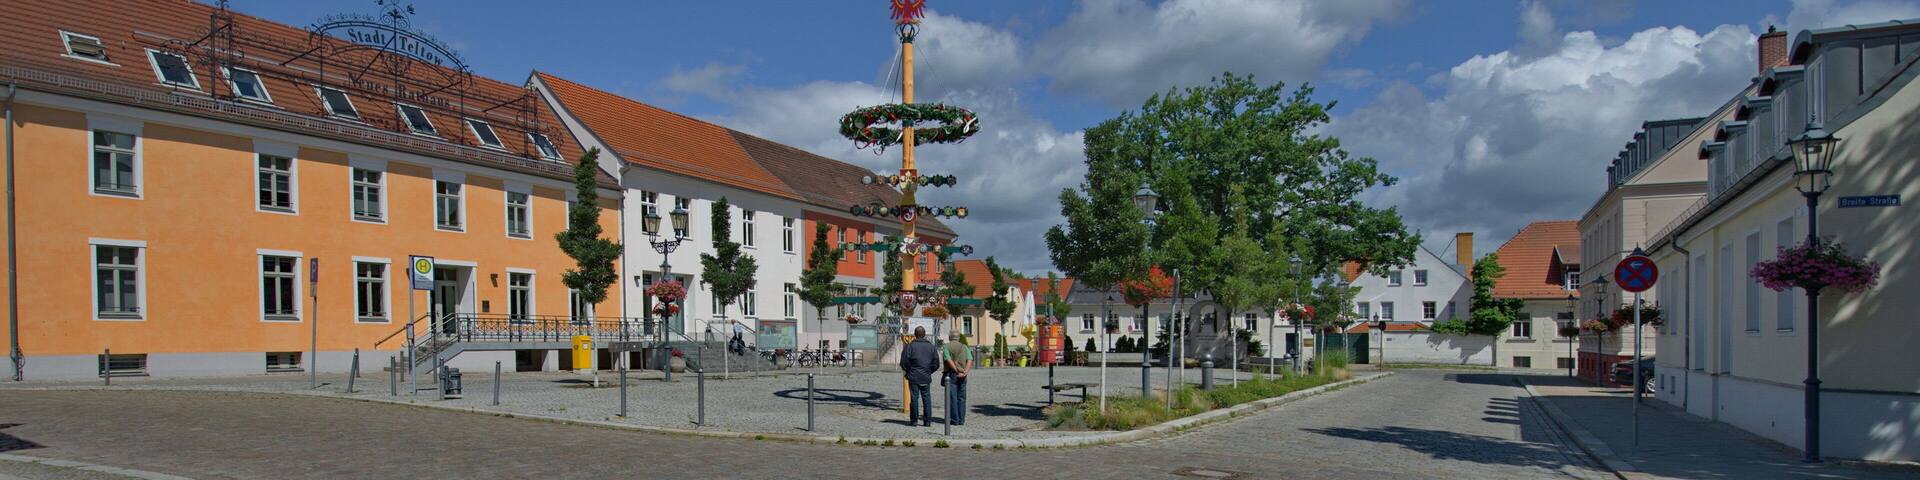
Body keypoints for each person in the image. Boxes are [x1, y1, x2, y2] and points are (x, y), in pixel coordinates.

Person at [899, 326, 938, 427]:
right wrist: (929, 371)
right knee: (927, 398)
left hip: (913, 376)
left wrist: (908, 372)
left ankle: (914, 420)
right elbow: (936, 363)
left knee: (914, 398)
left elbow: (904, 362)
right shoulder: (931, 347)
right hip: (925, 376)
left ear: (915, 335)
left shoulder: (910, 346)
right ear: (924, 334)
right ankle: (927, 421)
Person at [942, 332, 973, 426]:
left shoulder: (946, 346)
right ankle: (961, 419)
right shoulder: (964, 346)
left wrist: (956, 370)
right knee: (962, 397)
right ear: (958, 338)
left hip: (952, 374)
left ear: (949, 337)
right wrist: (965, 372)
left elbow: (948, 359)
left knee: (952, 397)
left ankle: (955, 419)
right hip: (963, 375)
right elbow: (970, 359)